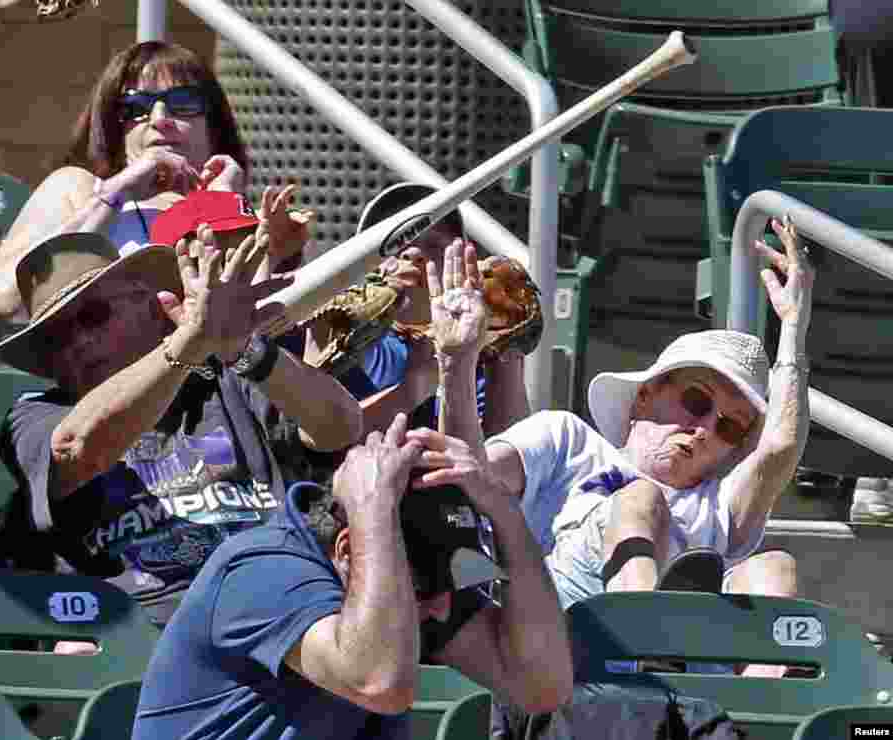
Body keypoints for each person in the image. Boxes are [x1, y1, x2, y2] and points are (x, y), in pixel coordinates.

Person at [439, 216, 811, 633]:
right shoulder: (568, 439)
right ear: (645, 393)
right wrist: (457, 362)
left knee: (775, 568)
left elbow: (779, 447)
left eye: (729, 428)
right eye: (696, 400)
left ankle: (755, 691)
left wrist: (794, 327)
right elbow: (464, 477)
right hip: (564, 639)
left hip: (688, 673)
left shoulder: (720, 508)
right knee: (640, 500)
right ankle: (646, 636)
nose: (704, 428)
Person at [0, 227, 362, 626]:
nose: (78, 341)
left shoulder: (231, 373)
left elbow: (339, 428)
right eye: (56, 337)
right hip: (135, 627)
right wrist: (187, 344)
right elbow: (78, 450)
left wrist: (245, 349)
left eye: (93, 316)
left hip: (270, 604)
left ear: (152, 308)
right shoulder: (35, 416)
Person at [132, 408, 573, 740]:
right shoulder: (263, 571)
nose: (441, 608)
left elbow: (539, 685)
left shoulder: (416, 592)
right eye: (426, 587)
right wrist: (374, 506)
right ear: (347, 549)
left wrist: (503, 509)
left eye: (450, 584)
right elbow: (378, 681)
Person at [0, 40, 311, 320]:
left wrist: (231, 211)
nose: (160, 120)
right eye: (135, 108)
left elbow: (254, 328)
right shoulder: (77, 187)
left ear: (214, 124)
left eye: (183, 103)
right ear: (113, 126)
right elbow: (10, 300)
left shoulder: (232, 206)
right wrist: (113, 195)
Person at [324, 182, 530, 438]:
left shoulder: (478, 348)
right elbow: (322, 440)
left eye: (432, 245)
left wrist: (505, 349)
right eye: (395, 245)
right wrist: (416, 386)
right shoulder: (344, 331)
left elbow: (508, 447)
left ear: (460, 260)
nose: (413, 254)